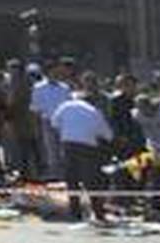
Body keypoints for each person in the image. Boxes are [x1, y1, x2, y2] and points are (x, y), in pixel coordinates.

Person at [48, 80, 114, 222]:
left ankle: (75, 212)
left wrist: (67, 131)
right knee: (91, 181)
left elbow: (54, 123)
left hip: (67, 145)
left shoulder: (65, 105)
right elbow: (108, 135)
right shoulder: (94, 111)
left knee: (72, 179)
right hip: (87, 147)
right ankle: (98, 213)